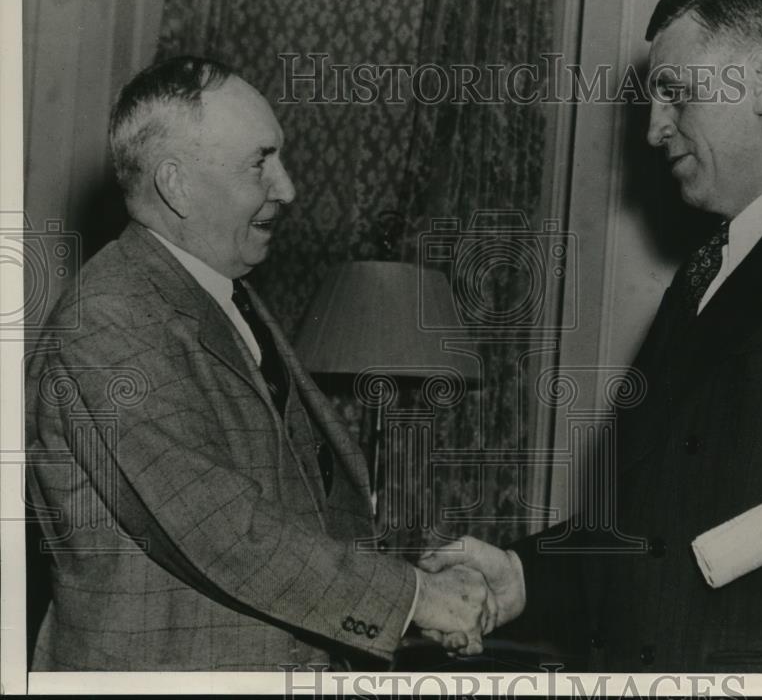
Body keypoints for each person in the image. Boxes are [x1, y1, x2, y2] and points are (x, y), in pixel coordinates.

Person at [419, 0, 762, 672]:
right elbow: (655, 539)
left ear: (761, 84)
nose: (653, 128)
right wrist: (522, 577)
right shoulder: (705, 275)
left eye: (676, 92)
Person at [24, 56, 497, 671]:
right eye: (260, 163)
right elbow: (220, 528)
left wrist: (410, 578)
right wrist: (413, 600)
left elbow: (303, 507)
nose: (288, 187)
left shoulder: (226, 298)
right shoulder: (110, 316)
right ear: (177, 184)